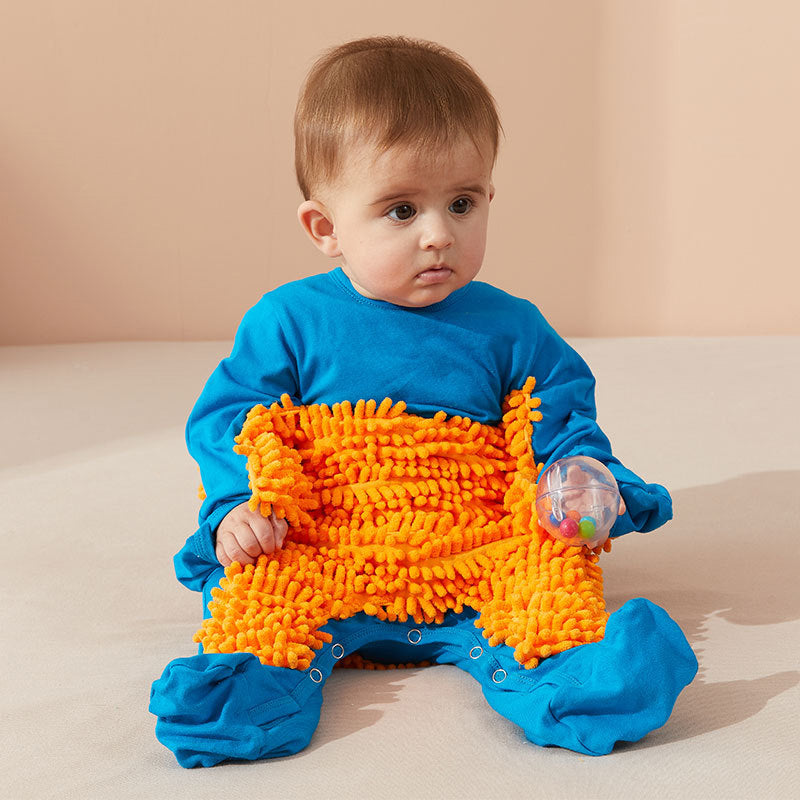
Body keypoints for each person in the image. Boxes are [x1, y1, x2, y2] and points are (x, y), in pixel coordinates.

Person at [150, 36, 697, 767]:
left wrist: (580, 480)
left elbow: (560, 421)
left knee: (545, 571)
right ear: (325, 229)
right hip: (328, 546)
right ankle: (247, 691)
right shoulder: (289, 321)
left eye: (462, 203)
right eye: (401, 210)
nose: (440, 234)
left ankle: (575, 677)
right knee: (266, 586)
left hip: (475, 545)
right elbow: (234, 420)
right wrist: (238, 507)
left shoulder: (513, 327)